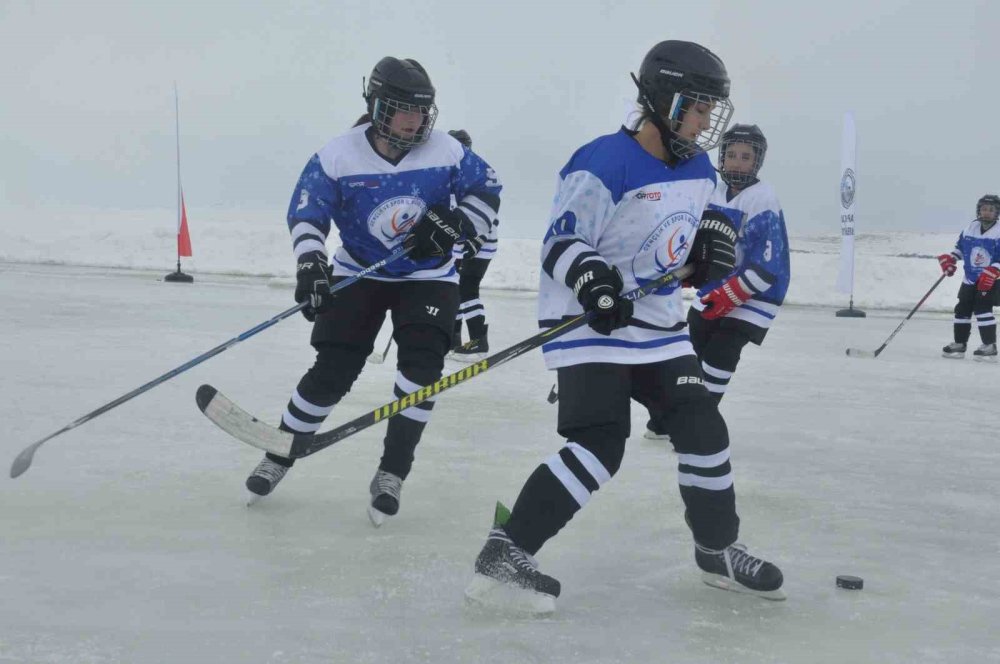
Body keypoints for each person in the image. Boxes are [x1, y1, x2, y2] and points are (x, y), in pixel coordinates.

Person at [464, 40, 785, 615]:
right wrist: (593, 280)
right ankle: (507, 549)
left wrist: (707, 254)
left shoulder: (699, 169)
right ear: (665, 99)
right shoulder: (603, 161)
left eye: (712, 110)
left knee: (704, 429)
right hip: (590, 324)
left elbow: (691, 241)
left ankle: (717, 549)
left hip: (659, 327)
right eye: (699, 108)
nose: (706, 123)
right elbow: (561, 242)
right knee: (601, 443)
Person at [244, 56, 502, 528]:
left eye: (423, 110)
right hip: (360, 271)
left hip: (428, 277)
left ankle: (392, 473)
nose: (416, 121)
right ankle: (279, 454)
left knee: (422, 373)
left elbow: (486, 189)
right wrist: (310, 262)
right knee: (333, 369)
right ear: (379, 106)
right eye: (405, 110)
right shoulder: (338, 155)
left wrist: (457, 223)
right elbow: (307, 211)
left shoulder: (447, 150)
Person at [645, 124, 789, 440]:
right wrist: (688, 269)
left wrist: (732, 293)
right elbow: (697, 238)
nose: (738, 162)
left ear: (757, 162)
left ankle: (699, 423)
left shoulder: (762, 199)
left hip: (757, 294)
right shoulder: (712, 191)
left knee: (721, 354)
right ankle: (668, 418)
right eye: (732, 155)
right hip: (717, 288)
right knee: (689, 354)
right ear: (722, 157)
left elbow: (768, 264)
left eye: (746, 157)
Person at [446, 129, 499, 362]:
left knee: (466, 289)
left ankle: (478, 340)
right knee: (456, 288)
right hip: (464, 243)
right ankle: (453, 340)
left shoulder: (471, 172)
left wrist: (478, 239)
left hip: (477, 242)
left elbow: (490, 209)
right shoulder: (456, 171)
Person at [938, 194, 1000, 360]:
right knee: (962, 309)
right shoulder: (970, 228)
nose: (987, 212)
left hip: (990, 279)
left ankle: (990, 346)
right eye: (984, 209)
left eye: (991, 210)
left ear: (997, 212)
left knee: (982, 309)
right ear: (979, 210)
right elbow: (960, 248)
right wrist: (951, 259)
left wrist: (994, 270)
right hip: (970, 277)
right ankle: (959, 344)